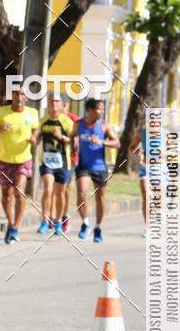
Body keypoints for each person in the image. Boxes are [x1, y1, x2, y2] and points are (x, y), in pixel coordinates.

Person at [0, 88, 39, 243]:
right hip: (5, 160)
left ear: (26, 98)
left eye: (22, 94)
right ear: (12, 96)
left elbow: (35, 130)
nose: (19, 96)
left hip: (24, 159)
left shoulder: (32, 113)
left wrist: (34, 138)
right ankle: (10, 224)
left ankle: (16, 226)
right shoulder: (2, 112)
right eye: (16, 93)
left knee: (19, 192)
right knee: (7, 196)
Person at [71, 98, 120, 242]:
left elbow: (117, 143)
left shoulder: (104, 126)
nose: (102, 111)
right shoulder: (78, 124)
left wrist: (102, 141)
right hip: (84, 166)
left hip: (100, 167)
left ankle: (98, 227)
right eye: (100, 108)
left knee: (100, 198)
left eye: (103, 108)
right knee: (81, 193)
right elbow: (72, 135)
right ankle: (85, 223)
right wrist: (73, 144)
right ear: (90, 110)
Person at [35, 94, 74, 235]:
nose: (53, 104)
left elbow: (74, 141)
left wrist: (61, 137)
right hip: (46, 161)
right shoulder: (42, 120)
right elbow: (36, 137)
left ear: (62, 104)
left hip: (62, 163)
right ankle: (45, 221)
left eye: (56, 101)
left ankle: (58, 221)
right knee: (48, 189)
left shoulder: (67, 122)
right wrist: (35, 138)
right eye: (51, 101)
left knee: (60, 193)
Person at [61, 97, 79, 233]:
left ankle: (65, 217)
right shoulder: (50, 118)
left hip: (70, 159)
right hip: (53, 159)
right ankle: (52, 217)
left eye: (63, 106)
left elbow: (77, 141)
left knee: (66, 188)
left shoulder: (74, 120)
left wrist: (74, 145)